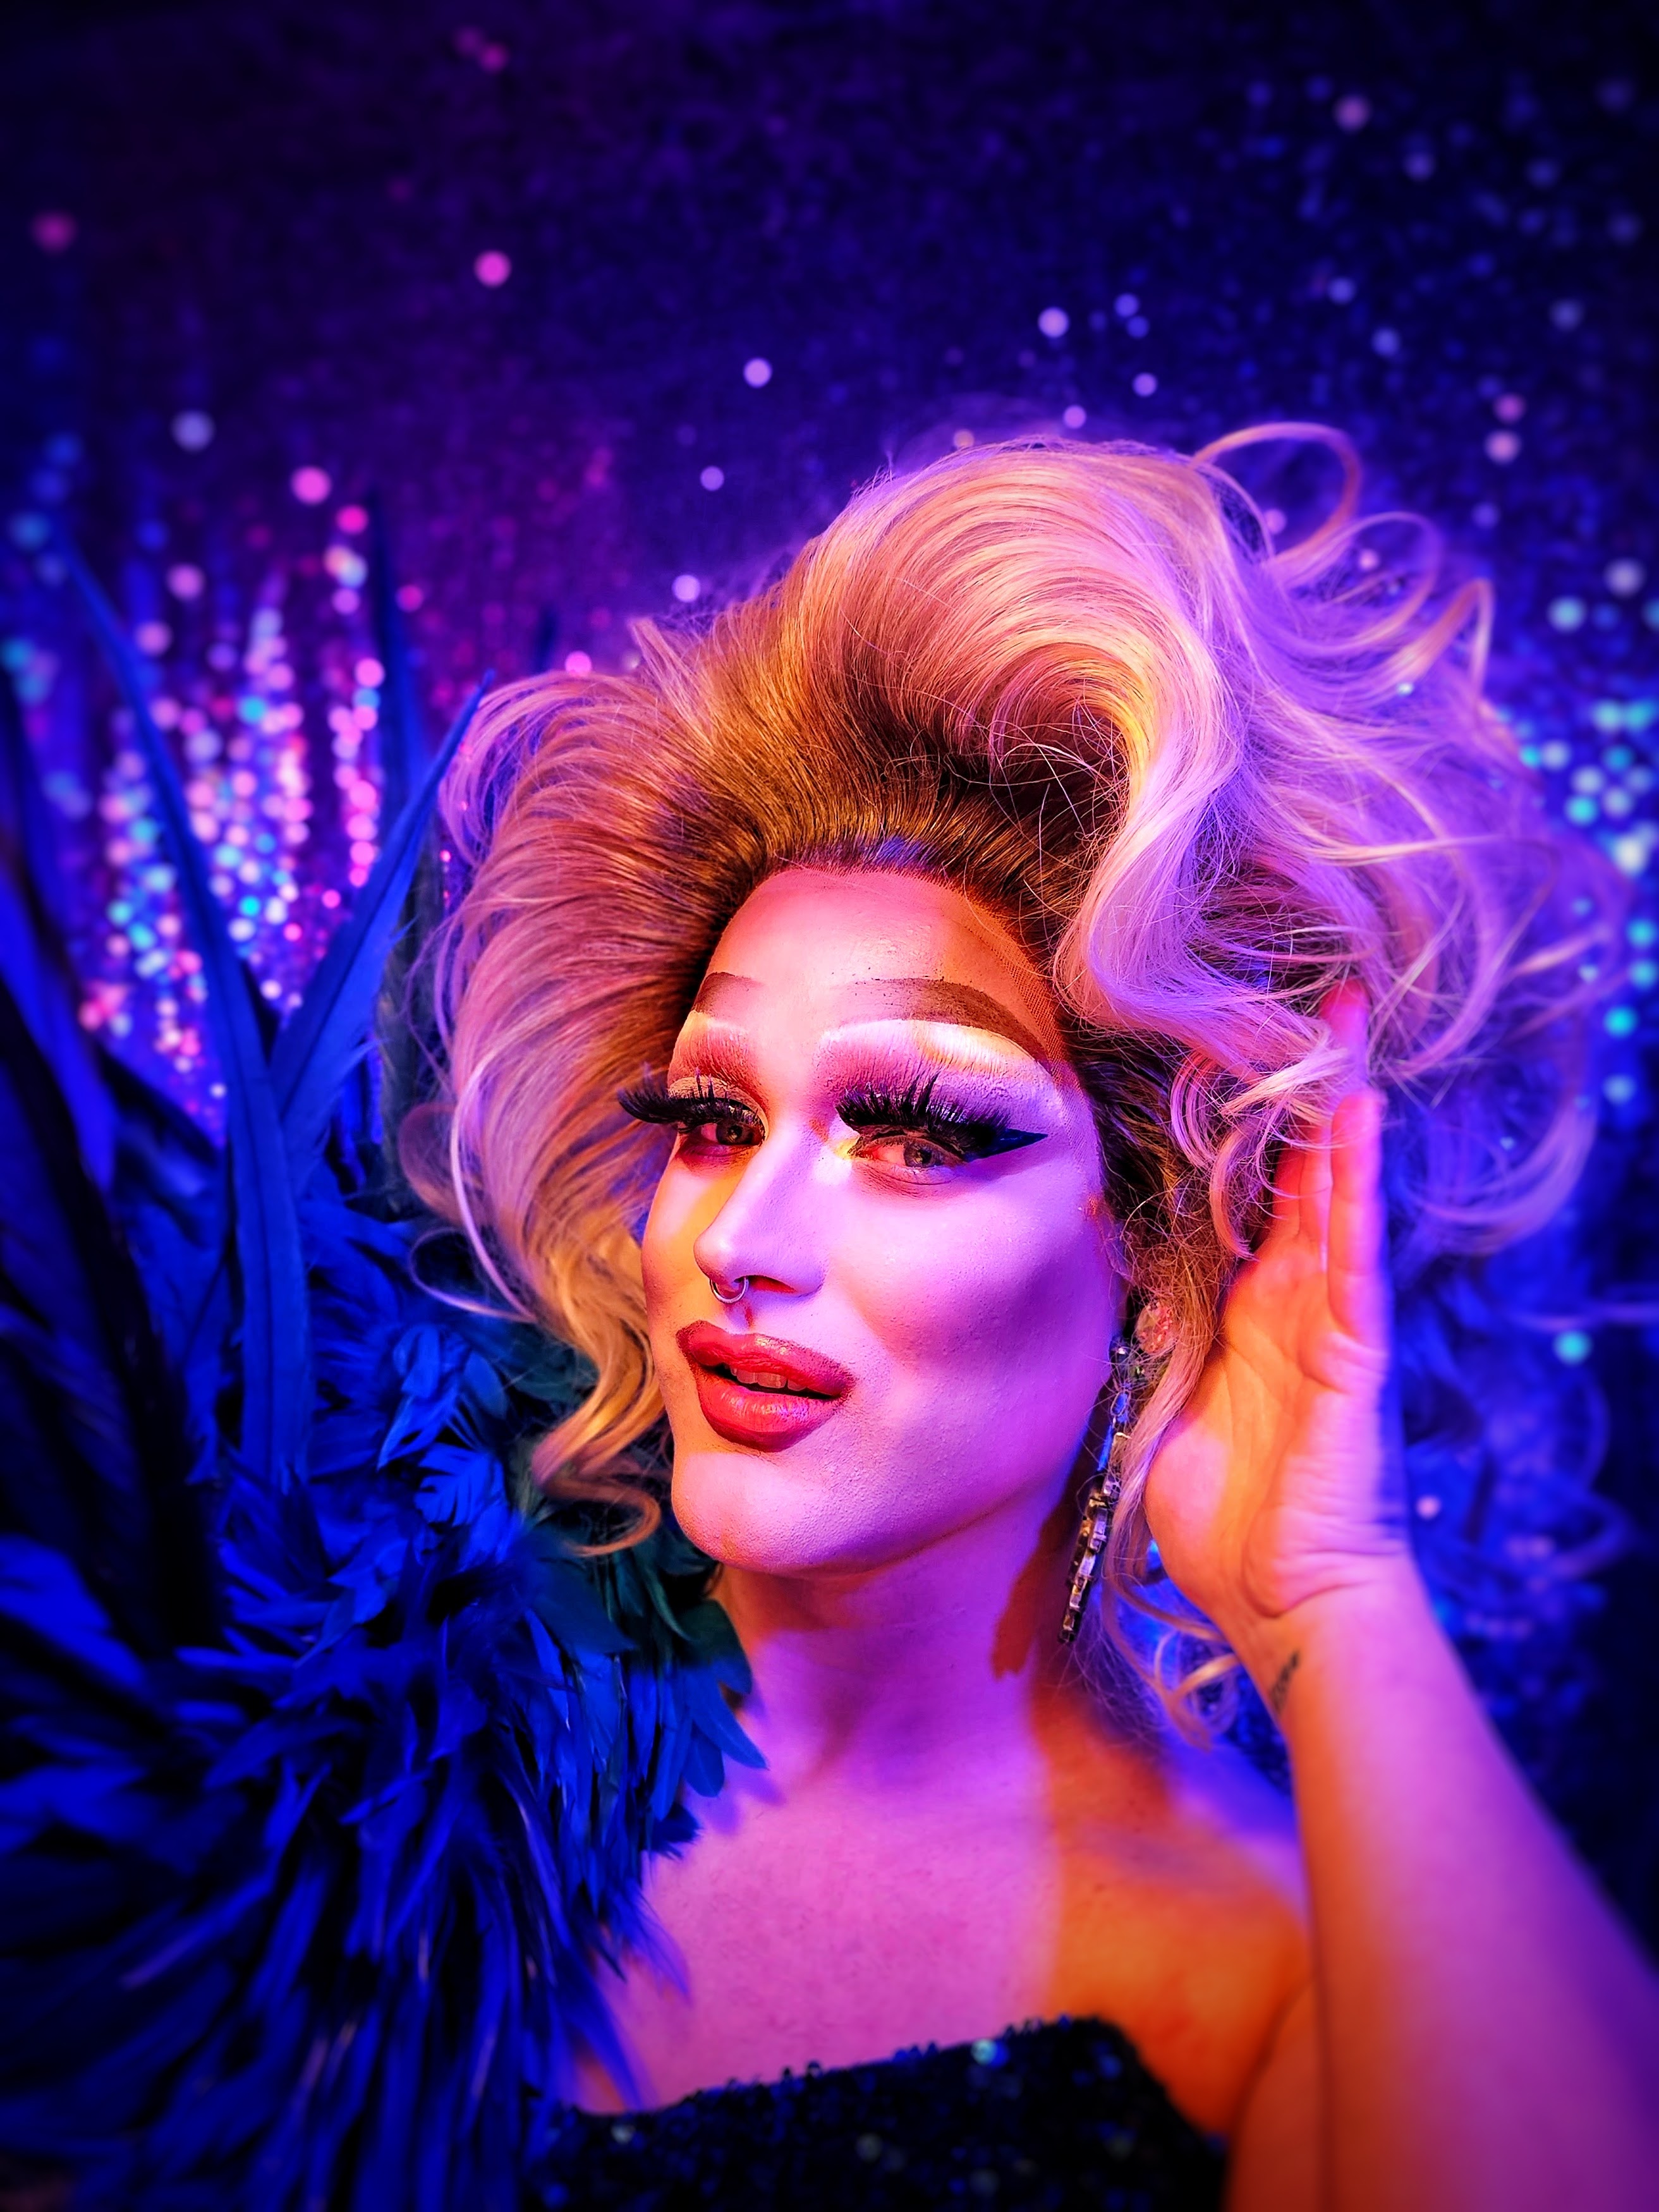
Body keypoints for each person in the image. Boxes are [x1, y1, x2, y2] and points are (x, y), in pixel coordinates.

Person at [2, 427, 1655, 2211]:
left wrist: (1334, 1591)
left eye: (919, 1130)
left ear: (1175, 1245)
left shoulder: (1278, 1970)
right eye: (711, 1118)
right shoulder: (324, 1735)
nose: (744, 1236)